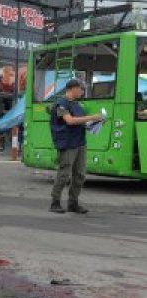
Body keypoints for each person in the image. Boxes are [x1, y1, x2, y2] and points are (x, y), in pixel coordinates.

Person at [49, 79, 104, 214]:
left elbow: (81, 122)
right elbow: (70, 121)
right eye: (81, 88)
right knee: (64, 173)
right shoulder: (60, 104)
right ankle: (55, 202)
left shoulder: (77, 105)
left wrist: (96, 123)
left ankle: (73, 203)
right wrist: (92, 117)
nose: (82, 91)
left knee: (80, 175)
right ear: (72, 88)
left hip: (80, 142)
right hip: (67, 143)